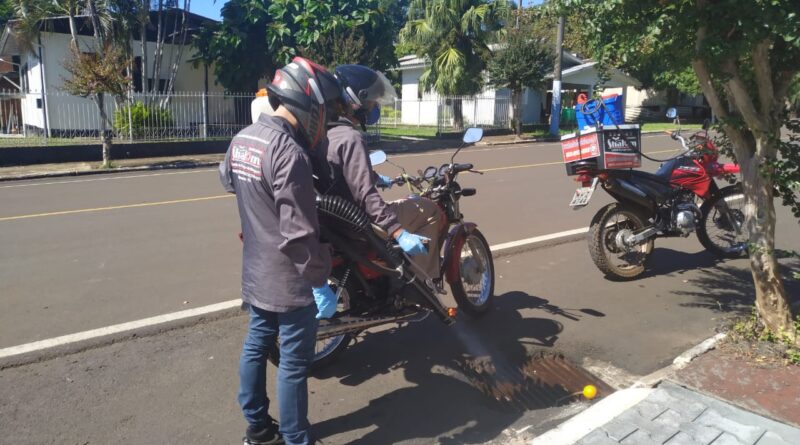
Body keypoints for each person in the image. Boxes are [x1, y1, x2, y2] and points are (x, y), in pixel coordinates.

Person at [219, 56, 342, 445]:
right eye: (322, 110)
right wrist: (320, 281)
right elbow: (299, 232)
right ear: (307, 105)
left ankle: (257, 427)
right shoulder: (291, 154)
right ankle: (294, 438)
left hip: (256, 271)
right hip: (290, 279)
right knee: (292, 363)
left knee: (256, 345)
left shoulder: (244, 138)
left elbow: (227, 180)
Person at [312, 64, 443, 282]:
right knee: (429, 209)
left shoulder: (322, 134)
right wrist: (397, 231)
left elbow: (340, 174)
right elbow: (366, 196)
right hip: (358, 224)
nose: (374, 105)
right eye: (371, 100)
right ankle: (423, 280)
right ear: (357, 101)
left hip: (335, 222)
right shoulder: (350, 138)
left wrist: (375, 178)